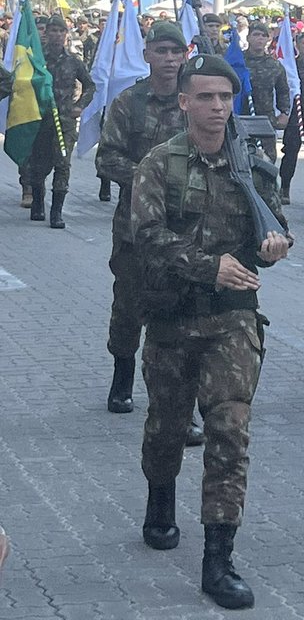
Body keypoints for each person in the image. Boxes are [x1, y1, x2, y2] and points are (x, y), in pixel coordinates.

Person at [132, 53, 291, 609]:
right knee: (166, 427)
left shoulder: (251, 163)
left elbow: (275, 226)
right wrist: (207, 264)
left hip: (232, 316)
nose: (218, 107)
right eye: (205, 97)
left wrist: (274, 248)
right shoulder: (159, 164)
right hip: (173, 317)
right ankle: (159, 499)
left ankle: (218, 560)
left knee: (229, 430)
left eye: (225, 97)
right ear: (184, 102)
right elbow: (146, 236)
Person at [97, 21, 192, 419]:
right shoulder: (129, 102)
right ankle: (122, 377)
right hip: (136, 227)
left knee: (186, 312)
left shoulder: (196, 99)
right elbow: (106, 159)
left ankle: (180, 399)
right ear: (147, 55)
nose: (170, 60)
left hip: (188, 226)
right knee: (129, 308)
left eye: (176, 52)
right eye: (162, 52)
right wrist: (151, 178)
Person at [29, 15, 95, 230]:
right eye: (53, 30)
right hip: (41, 119)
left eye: (61, 31)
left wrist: (79, 106)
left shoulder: (74, 61)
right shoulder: (37, 60)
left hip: (64, 121)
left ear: (66, 34)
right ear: (46, 33)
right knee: (38, 165)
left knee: (63, 164)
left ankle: (56, 212)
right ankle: (38, 202)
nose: (57, 35)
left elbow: (90, 86)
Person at [279, 31, 304, 208]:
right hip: (296, 115)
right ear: (297, 45)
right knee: (290, 153)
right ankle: (285, 188)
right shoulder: (291, 67)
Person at [241, 23, 290, 161]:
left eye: (264, 36)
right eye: (256, 35)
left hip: (265, 119)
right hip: (241, 116)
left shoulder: (274, 65)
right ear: (248, 37)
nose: (260, 39)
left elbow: (283, 91)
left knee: (267, 161)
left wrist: (284, 112)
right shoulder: (238, 62)